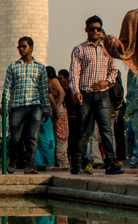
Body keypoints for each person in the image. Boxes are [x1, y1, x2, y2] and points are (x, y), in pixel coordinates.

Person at [69, 15, 123, 175]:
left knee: (106, 130)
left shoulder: (106, 49)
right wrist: (76, 92)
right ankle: (78, 163)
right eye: (92, 29)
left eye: (98, 29)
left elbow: (114, 70)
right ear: (86, 30)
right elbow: (74, 73)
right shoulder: (79, 49)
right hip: (85, 94)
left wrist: (106, 83)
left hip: (103, 95)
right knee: (83, 131)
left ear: (101, 30)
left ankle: (111, 163)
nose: (95, 31)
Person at [1, 36, 50, 173]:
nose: (21, 49)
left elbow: (43, 89)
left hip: (34, 105)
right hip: (17, 106)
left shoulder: (40, 68)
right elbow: (7, 88)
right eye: (19, 47)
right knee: (15, 138)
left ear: (31, 48)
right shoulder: (13, 67)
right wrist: (5, 105)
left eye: (24, 46)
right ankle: (12, 159)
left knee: (32, 138)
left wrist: (46, 108)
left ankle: (30, 165)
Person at [35, 66, 60, 169]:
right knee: (48, 140)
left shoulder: (31, 84)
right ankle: (49, 163)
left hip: (32, 112)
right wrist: (56, 111)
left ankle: (38, 162)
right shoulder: (43, 84)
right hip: (43, 113)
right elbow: (51, 99)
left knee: (36, 140)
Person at [47, 64, 68, 169]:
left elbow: (62, 93)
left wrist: (57, 106)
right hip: (54, 108)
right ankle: (58, 161)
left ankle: (63, 163)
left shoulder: (54, 81)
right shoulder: (51, 82)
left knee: (60, 136)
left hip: (58, 109)